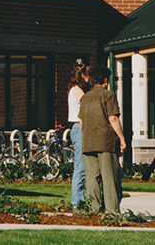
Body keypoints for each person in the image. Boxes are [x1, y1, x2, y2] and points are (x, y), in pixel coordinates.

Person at [79, 64, 126, 214]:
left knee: (92, 178)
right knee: (109, 177)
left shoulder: (85, 97)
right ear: (106, 80)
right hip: (106, 141)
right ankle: (112, 211)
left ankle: (94, 209)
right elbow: (113, 118)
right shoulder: (109, 95)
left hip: (88, 141)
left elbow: (81, 122)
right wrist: (122, 138)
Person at [66, 61, 91, 210]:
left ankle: (79, 201)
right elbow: (84, 115)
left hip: (77, 128)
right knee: (80, 168)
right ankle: (77, 202)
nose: (89, 79)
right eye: (88, 76)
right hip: (79, 128)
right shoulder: (78, 92)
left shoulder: (75, 90)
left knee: (81, 167)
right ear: (82, 75)